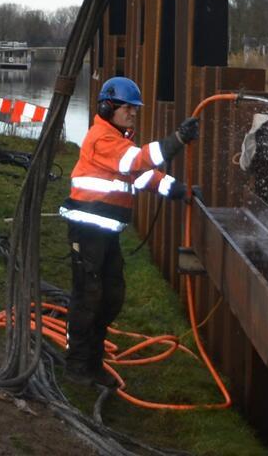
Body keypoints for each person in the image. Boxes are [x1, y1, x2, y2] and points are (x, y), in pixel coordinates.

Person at [59, 76, 200, 388]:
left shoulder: (117, 139)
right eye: (127, 108)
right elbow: (136, 161)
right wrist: (176, 139)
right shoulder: (102, 139)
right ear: (108, 107)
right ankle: (77, 366)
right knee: (88, 297)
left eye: (135, 109)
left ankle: (93, 364)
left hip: (105, 232)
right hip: (87, 230)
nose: (133, 113)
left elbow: (139, 175)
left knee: (110, 297)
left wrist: (178, 190)